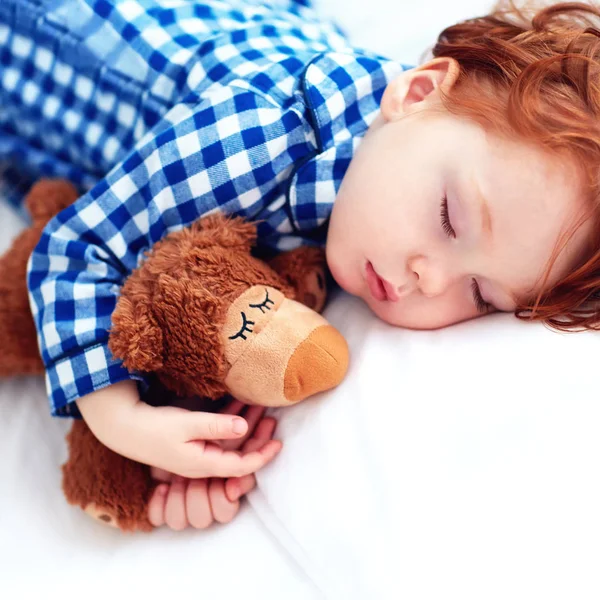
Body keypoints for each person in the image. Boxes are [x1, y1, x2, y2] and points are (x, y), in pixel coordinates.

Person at [2, 0, 599, 530]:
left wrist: (188, 448)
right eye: (449, 216)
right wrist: (120, 419)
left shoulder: (390, 180)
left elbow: (201, 307)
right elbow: (75, 250)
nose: (430, 278)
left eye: (480, 295)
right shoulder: (256, 134)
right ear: (417, 93)